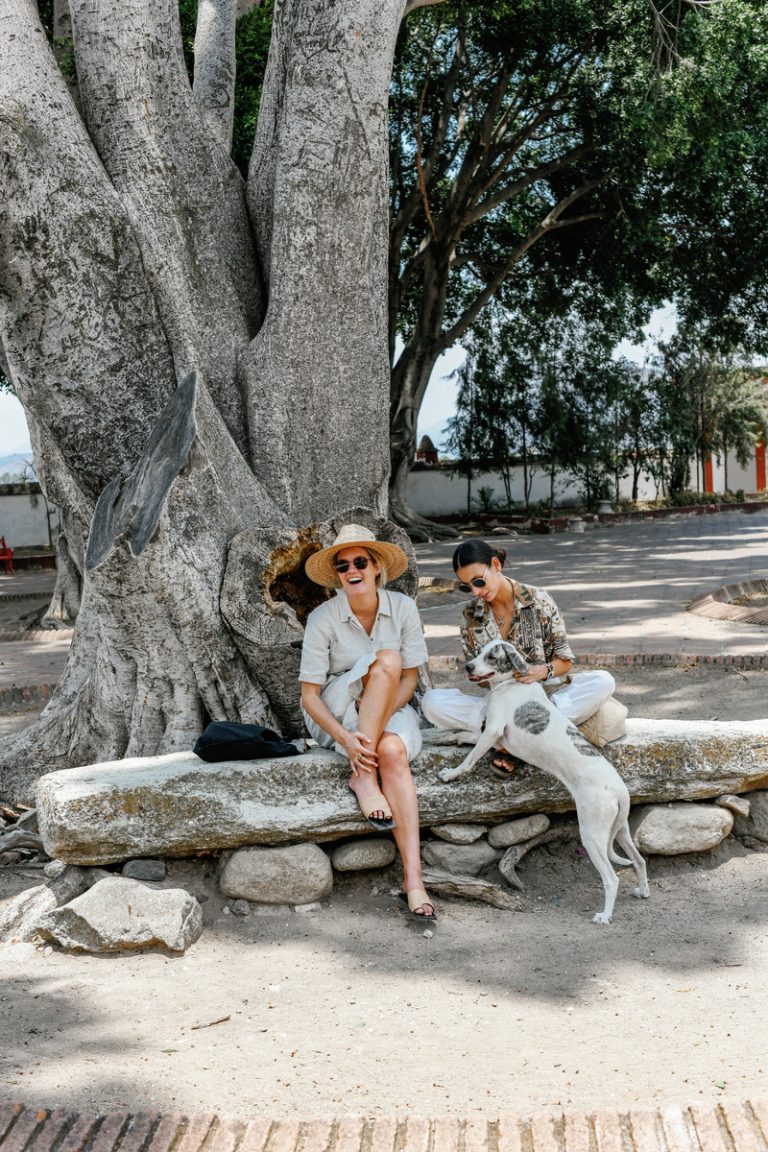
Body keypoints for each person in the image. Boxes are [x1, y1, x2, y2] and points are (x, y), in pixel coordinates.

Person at [300, 524, 435, 920]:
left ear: (377, 567)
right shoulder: (323, 618)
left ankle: (414, 881)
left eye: (360, 562)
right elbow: (309, 696)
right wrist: (344, 735)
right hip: (337, 715)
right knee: (387, 659)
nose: (351, 570)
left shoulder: (404, 608)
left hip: (393, 706)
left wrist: (382, 711)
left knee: (393, 750)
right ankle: (361, 771)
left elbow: (409, 680)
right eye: (343, 566)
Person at [420, 538, 616, 772]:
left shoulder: (538, 601)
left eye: (478, 581)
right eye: (466, 587)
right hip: (499, 704)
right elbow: (481, 678)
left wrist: (541, 671)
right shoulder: (470, 614)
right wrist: (483, 675)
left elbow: (565, 662)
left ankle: (500, 740)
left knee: (603, 682)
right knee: (432, 703)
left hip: (545, 702)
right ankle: (513, 739)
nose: (475, 591)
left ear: (496, 565)